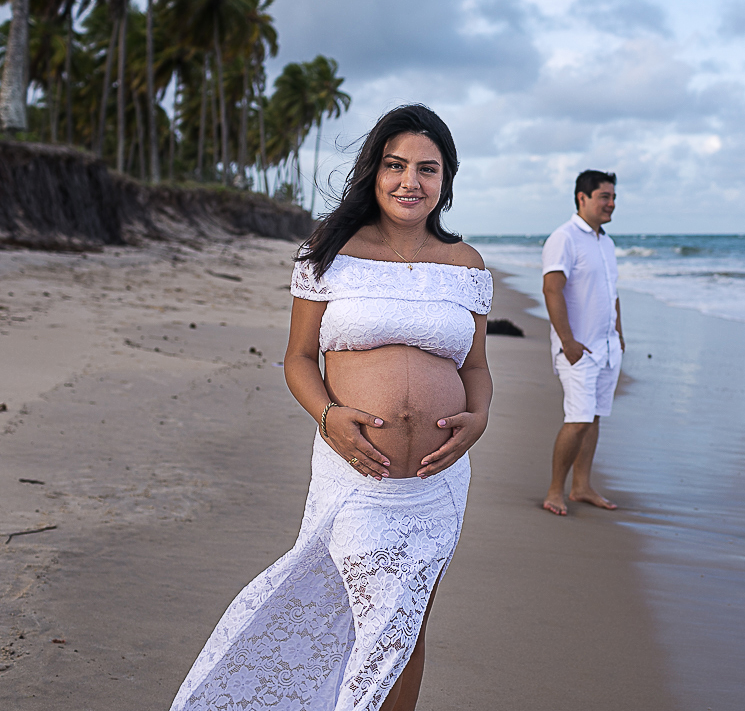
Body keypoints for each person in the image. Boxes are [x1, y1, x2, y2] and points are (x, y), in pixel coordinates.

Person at [170, 105, 493, 711]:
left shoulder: (466, 265)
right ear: (374, 172)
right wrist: (328, 417)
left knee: (407, 627)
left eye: (427, 169)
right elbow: (298, 358)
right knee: (365, 620)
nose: (410, 182)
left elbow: (474, 367)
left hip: (437, 484)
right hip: (355, 473)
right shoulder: (329, 251)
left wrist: (478, 418)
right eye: (395, 166)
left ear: (446, 179)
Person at [540, 170, 624, 516]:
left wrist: (619, 334)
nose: (611, 203)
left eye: (613, 197)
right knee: (577, 420)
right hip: (578, 350)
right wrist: (568, 342)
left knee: (593, 418)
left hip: (607, 349)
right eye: (604, 196)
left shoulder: (606, 242)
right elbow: (552, 289)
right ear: (582, 198)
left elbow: (612, 293)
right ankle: (555, 491)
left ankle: (582, 486)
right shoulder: (564, 238)